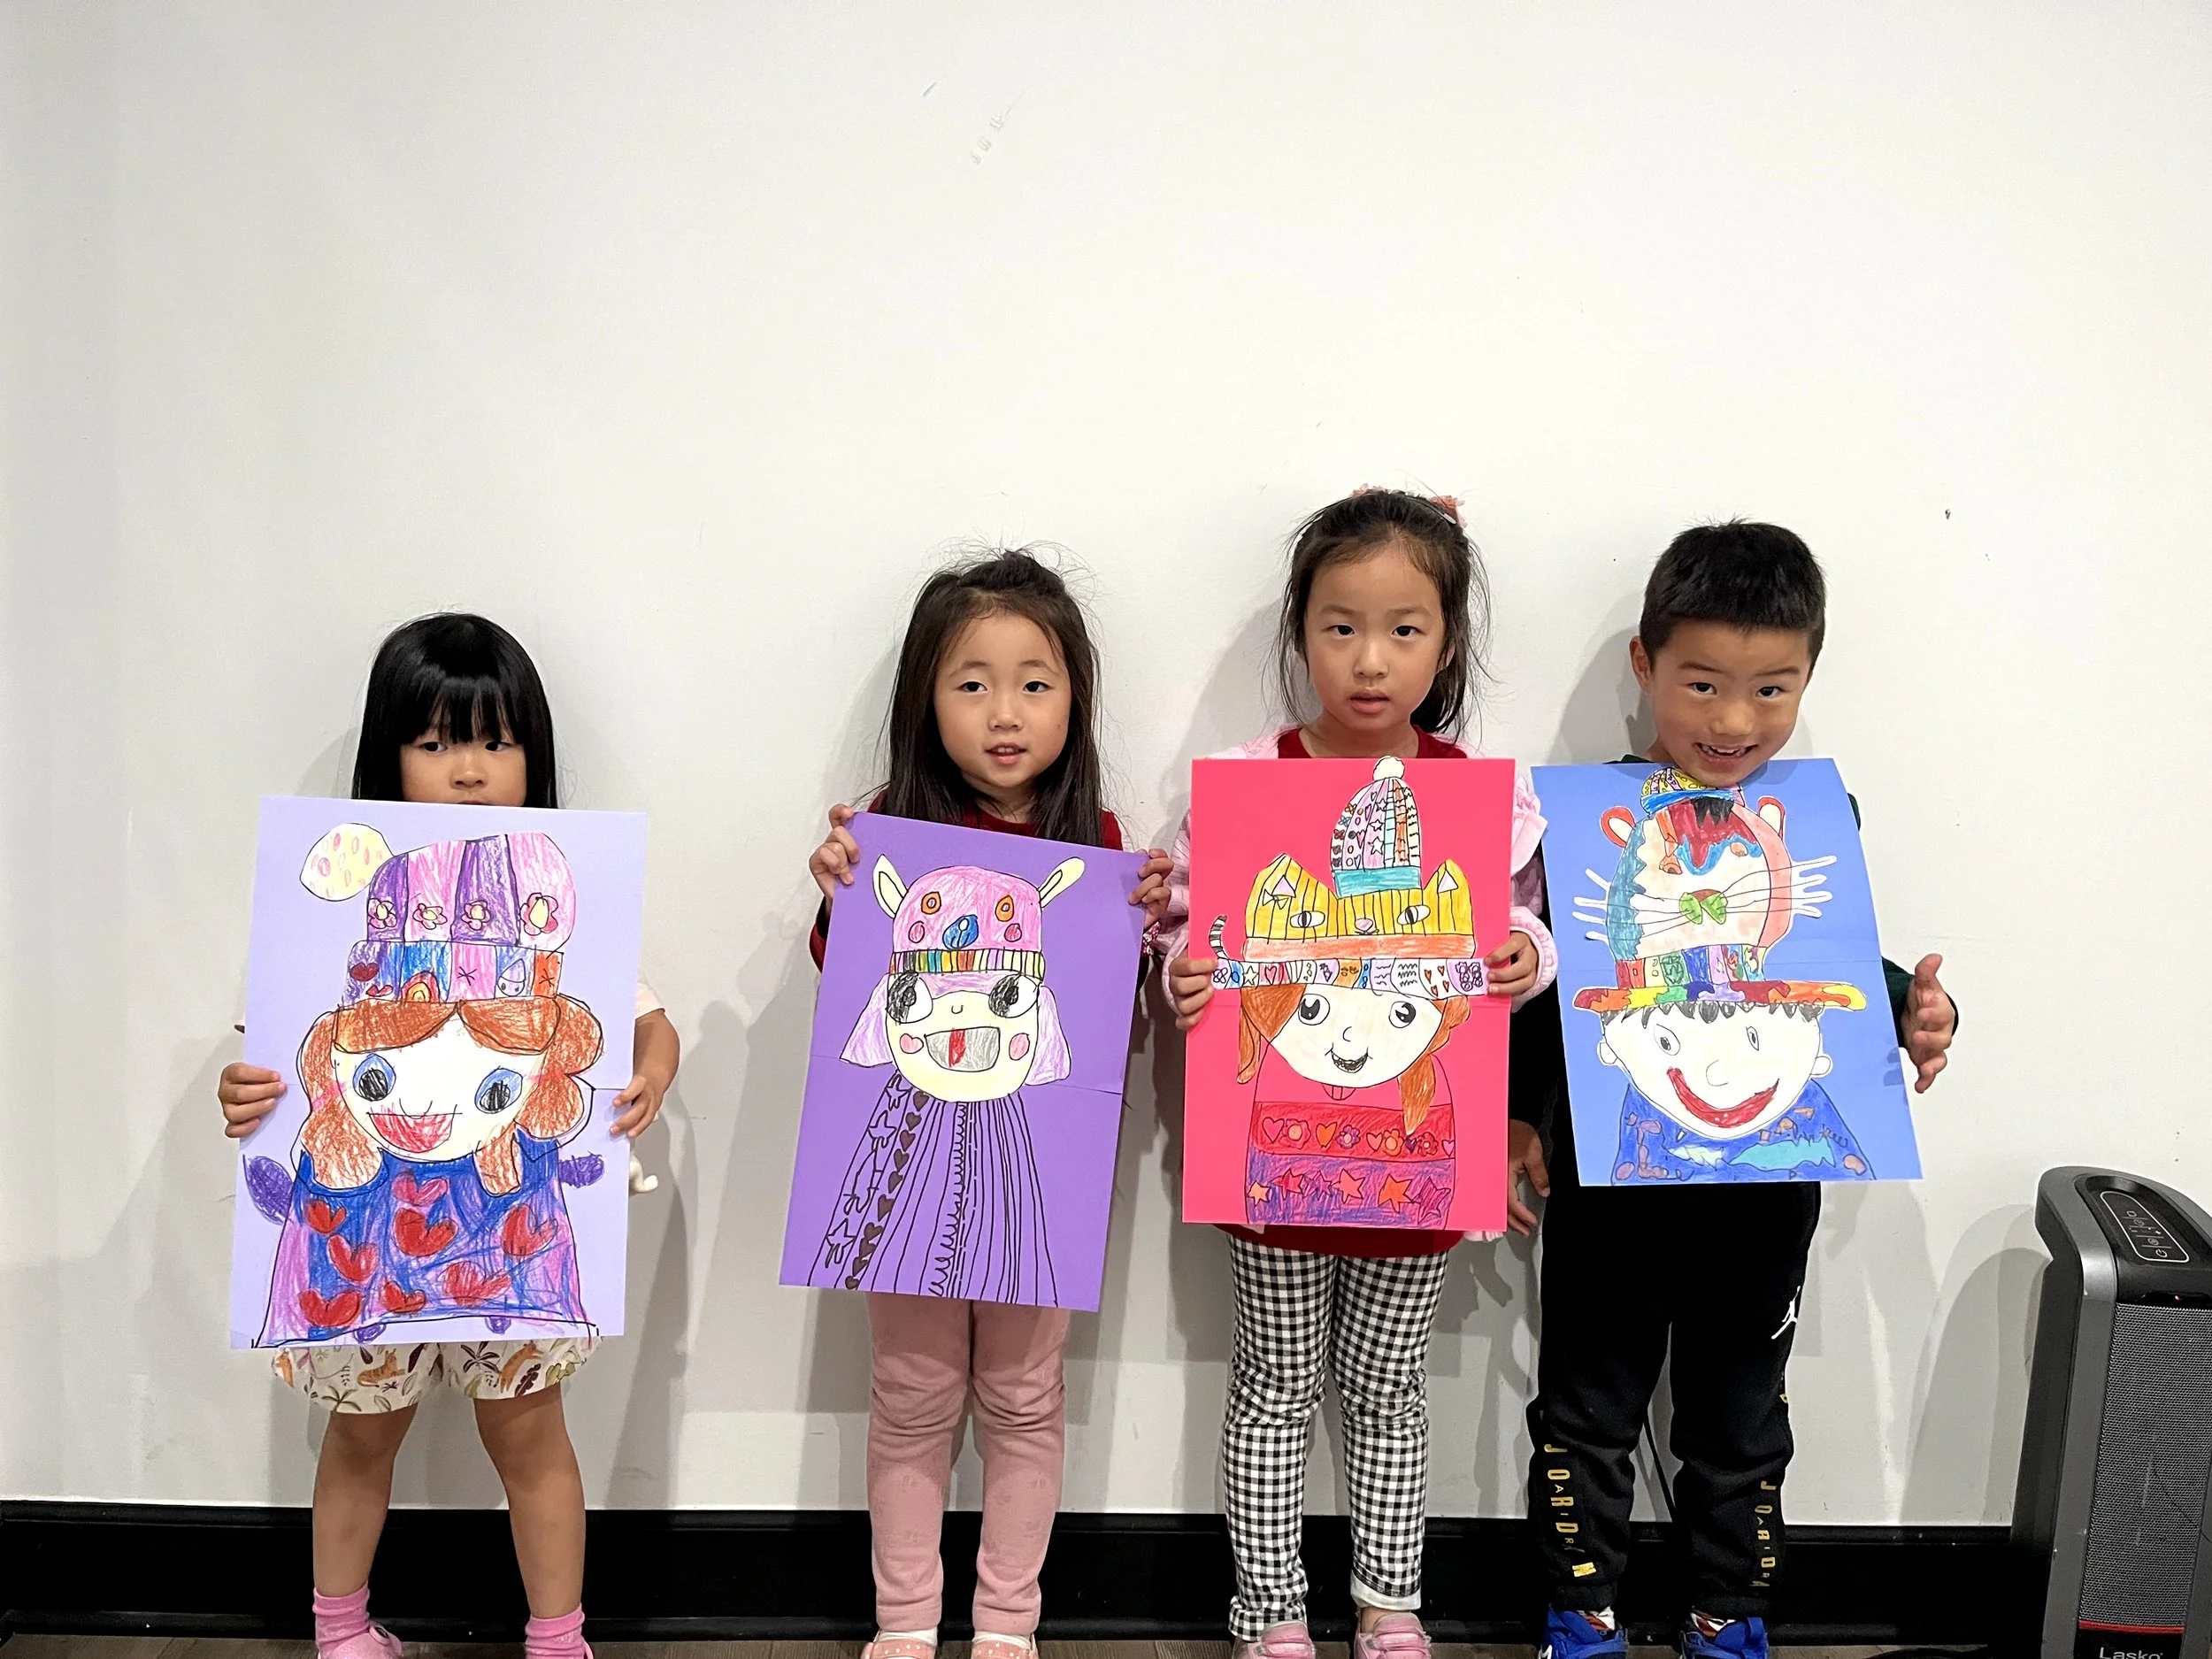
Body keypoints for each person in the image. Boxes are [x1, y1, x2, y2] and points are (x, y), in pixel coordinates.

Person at [1505, 522, 1957, 1659]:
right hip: (1611, 1177)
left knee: (1743, 1415)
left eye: (1771, 689)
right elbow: (1548, 985)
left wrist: (1911, 1010)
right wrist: (1521, 1117)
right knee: (1585, 1407)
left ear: (1808, 677)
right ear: (1645, 665)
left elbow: (1824, 963)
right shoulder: (1580, 822)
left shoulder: (1816, 817)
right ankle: (1579, 1610)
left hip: (1765, 1186)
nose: (1734, 720)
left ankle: (1730, 1608)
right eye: (1702, 684)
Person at [218, 613, 680, 1659]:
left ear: (533, 758)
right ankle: (342, 1632)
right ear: (387, 757)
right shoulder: (335, 927)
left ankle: (558, 1639)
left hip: (507, 1219)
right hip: (365, 1229)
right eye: (433, 743)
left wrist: (651, 1072)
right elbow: (276, 1056)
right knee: (361, 1432)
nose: (468, 770)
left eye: (496, 742)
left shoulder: (551, 916)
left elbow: (649, 1021)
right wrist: (245, 1097)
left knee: (530, 1431)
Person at [1161, 489, 1556, 1659]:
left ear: (1448, 643)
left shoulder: (1482, 794)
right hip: (1274, 1159)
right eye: (1340, 627)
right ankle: (1268, 1608)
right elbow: (1188, 924)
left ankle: (1390, 1599)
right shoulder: (1247, 779)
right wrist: (1184, 970)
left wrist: (1522, 955)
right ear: (1301, 632)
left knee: (1389, 1389)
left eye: (1403, 629)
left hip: (1415, 1162)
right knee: (1273, 1384)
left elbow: (1530, 929)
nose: (1370, 660)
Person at [805, 548, 1171, 1659]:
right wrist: (838, 896)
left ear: (1074, 700)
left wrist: (1146, 929)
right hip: (903, 1160)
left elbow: (1112, 1023)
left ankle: (1008, 1623)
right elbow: (846, 998)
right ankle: (906, 1620)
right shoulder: (884, 830)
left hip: (1037, 1169)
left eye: (1034, 683)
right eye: (971, 683)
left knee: (1022, 1394)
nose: (1004, 712)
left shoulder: (1097, 845)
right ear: (925, 698)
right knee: (911, 1391)